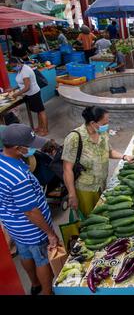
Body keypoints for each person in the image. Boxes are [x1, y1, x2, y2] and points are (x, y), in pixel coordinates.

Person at [0, 124, 59, 295]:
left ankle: (35, 285)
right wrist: (50, 233)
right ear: (18, 148)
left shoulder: (3, 161)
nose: (33, 148)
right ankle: (47, 291)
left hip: (14, 225)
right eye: (30, 145)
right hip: (32, 228)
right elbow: (31, 211)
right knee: (42, 259)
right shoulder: (18, 178)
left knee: (25, 254)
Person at [62, 106, 134, 217]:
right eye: (104, 123)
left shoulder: (102, 133)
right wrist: (72, 195)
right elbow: (67, 169)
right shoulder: (74, 138)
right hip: (85, 189)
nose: (107, 125)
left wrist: (124, 157)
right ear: (92, 123)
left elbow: (109, 151)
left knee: (103, 215)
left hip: (102, 184)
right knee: (90, 219)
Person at [8, 58, 48, 136]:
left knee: (41, 111)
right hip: (30, 94)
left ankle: (45, 130)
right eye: (12, 67)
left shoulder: (25, 71)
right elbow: (21, 83)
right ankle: (40, 127)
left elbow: (27, 87)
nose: (14, 68)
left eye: (14, 66)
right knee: (38, 111)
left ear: (18, 63)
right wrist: (14, 88)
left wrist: (16, 94)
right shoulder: (20, 69)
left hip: (34, 93)